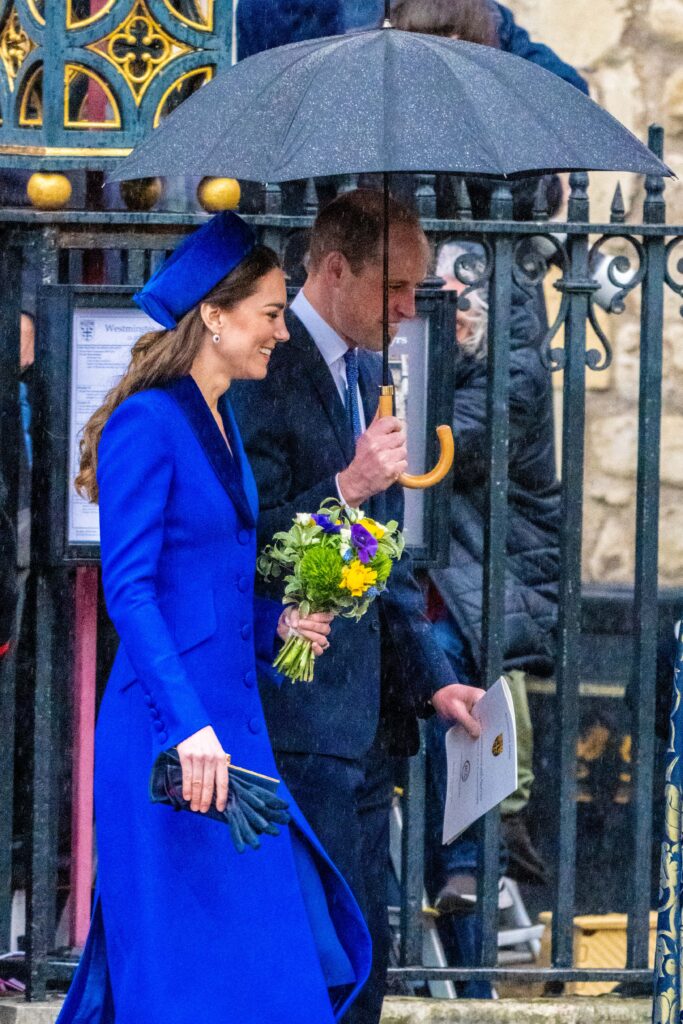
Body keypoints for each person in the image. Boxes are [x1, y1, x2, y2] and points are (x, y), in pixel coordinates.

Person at [55, 211, 372, 1024]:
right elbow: (132, 591)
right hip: (173, 738)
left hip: (232, 729)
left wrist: (276, 625)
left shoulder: (223, 419)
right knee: (185, 982)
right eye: (269, 313)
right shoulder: (146, 422)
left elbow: (204, 581)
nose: (281, 332)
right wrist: (188, 727)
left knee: (274, 966)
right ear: (214, 316)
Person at [231, 189, 485, 1024]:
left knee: (365, 951)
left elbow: (385, 556)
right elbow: (244, 539)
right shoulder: (263, 367)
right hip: (292, 710)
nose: (410, 308)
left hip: (368, 719)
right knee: (313, 960)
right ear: (335, 269)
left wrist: (434, 680)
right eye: (395, 288)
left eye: (416, 288)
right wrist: (346, 486)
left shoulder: (372, 371)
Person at [428, 240, 560, 905]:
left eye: (449, 307)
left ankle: (477, 855)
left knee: (451, 661)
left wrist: (429, 352)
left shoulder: (514, 370)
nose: (435, 321)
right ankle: (472, 852)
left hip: (493, 568)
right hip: (447, 567)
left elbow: (441, 444)